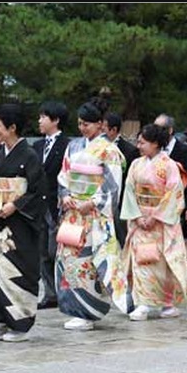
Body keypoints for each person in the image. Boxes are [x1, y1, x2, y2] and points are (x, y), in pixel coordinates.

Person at [55, 98, 125, 331]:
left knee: (87, 261)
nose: (82, 128)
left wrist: (93, 202)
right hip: (74, 212)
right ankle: (75, 309)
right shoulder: (74, 146)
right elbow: (64, 175)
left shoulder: (110, 151)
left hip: (94, 215)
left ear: (100, 124)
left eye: (87, 124)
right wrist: (65, 194)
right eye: (80, 123)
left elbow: (112, 185)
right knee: (69, 259)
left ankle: (88, 311)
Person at [0, 104, 46, 342]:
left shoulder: (29, 155)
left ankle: (19, 324)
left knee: (15, 272)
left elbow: (38, 191)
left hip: (19, 225)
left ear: (12, 127)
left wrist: (14, 206)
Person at [116, 124, 187, 320]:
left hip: (161, 222)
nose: (139, 146)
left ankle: (167, 303)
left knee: (163, 263)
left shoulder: (169, 165)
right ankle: (143, 303)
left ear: (155, 143)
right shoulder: (136, 164)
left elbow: (174, 193)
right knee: (142, 260)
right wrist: (138, 216)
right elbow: (129, 191)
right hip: (140, 219)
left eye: (142, 142)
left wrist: (155, 216)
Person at [32, 101, 70, 309]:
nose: (40, 121)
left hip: (58, 204)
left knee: (57, 249)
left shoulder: (68, 145)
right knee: (42, 250)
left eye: (43, 117)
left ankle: (65, 291)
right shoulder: (37, 146)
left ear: (55, 120)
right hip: (39, 205)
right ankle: (50, 292)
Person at [154, 114, 187, 264]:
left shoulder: (186, 152)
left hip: (181, 206)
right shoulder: (153, 151)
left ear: (170, 130)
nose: (156, 132)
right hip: (156, 209)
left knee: (181, 254)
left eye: (160, 129)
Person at [103, 112, 139, 249]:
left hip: (121, 202)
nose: (101, 131)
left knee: (122, 238)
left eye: (104, 128)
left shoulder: (129, 151)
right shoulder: (95, 148)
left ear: (113, 130)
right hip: (101, 200)